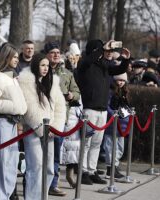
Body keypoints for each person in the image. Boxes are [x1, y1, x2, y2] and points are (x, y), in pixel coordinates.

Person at [77, 39, 131, 185]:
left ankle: (91, 170)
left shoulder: (105, 66)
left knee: (96, 143)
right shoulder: (85, 64)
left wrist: (126, 60)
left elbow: (119, 70)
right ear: (95, 51)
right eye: (102, 50)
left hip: (101, 111)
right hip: (89, 109)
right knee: (86, 143)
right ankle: (82, 171)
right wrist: (102, 49)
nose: (107, 52)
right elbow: (87, 61)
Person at [18, 53, 66, 200]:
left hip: (50, 131)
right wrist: (43, 129)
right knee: (36, 167)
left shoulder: (52, 82)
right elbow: (30, 109)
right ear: (35, 66)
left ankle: (42, 197)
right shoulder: (26, 81)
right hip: (32, 130)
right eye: (42, 65)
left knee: (49, 168)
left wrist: (55, 127)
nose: (45, 68)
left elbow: (60, 107)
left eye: (47, 65)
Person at [0, 44, 27, 200]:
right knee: (1, 165)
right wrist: (14, 107)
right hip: (1, 124)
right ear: (6, 57)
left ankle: (6, 196)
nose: (16, 60)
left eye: (17, 57)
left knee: (10, 165)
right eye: (13, 56)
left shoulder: (13, 78)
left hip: (12, 124)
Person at [44, 41, 79, 195]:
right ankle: (37, 183)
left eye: (58, 52)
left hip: (60, 119)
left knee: (56, 155)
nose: (56, 55)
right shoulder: (41, 70)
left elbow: (76, 91)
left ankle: (53, 185)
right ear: (46, 55)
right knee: (39, 154)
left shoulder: (67, 73)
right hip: (43, 118)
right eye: (53, 52)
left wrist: (72, 95)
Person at [103, 72, 130, 179]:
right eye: (119, 80)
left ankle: (115, 165)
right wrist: (114, 114)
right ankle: (111, 168)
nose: (121, 82)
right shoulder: (110, 92)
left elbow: (126, 107)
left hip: (123, 125)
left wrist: (127, 115)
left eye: (123, 81)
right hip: (112, 124)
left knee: (120, 148)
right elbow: (107, 106)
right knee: (110, 147)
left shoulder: (125, 93)